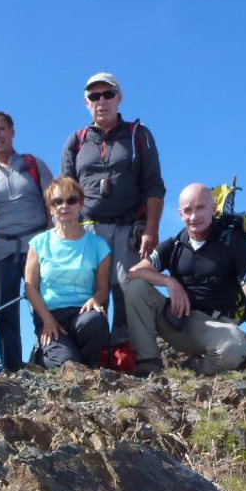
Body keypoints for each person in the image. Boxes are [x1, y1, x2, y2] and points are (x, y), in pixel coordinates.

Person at [123, 183, 246, 376]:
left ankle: (200, 373)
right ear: (180, 214)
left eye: (201, 208)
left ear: (213, 208)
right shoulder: (175, 244)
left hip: (217, 326)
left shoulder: (234, 243)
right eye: (188, 210)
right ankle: (148, 363)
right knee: (135, 288)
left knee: (232, 348)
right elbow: (134, 272)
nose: (194, 216)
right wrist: (169, 282)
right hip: (178, 321)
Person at [61, 72, 165, 341]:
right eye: (94, 96)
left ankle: (123, 350)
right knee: (89, 291)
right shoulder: (76, 141)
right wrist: (64, 236)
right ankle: (93, 349)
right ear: (86, 102)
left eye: (108, 94)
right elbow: (65, 193)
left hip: (128, 228)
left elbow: (154, 184)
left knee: (126, 289)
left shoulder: (138, 134)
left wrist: (151, 230)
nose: (101, 101)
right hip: (87, 230)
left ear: (119, 98)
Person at [0, 111, 53, 372]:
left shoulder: (34, 165)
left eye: (2, 129)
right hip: (1, 251)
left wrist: (53, 243)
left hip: (37, 247)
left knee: (43, 306)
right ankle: (11, 369)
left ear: (12, 132)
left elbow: (52, 205)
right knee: (5, 312)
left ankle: (50, 361)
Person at [24, 178, 110, 368]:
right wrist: (47, 320)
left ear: (81, 204)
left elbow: (103, 288)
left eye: (71, 200)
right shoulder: (38, 243)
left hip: (83, 314)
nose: (64, 206)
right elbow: (30, 288)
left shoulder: (99, 245)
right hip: (50, 315)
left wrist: (96, 299)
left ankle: (89, 366)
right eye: (57, 201)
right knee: (67, 363)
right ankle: (46, 355)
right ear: (50, 208)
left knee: (96, 322)